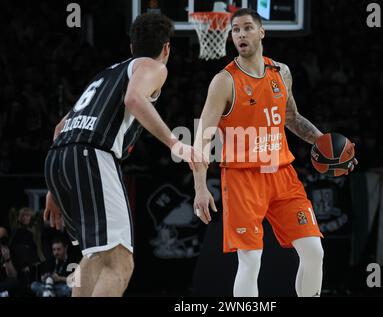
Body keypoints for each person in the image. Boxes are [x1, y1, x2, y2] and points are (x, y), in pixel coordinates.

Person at [192, 8, 357, 297]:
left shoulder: (281, 72)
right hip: (243, 178)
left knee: (313, 251)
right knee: (251, 259)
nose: (240, 34)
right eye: (235, 30)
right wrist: (200, 188)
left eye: (246, 28)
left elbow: (291, 118)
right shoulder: (224, 81)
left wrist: (328, 148)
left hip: (282, 173)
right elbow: (202, 138)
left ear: (261, 32)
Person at [43, 13, 206, 297]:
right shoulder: (153, 66)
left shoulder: (106, 73)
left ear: (131, 45)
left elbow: (60, 128)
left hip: (59, 156)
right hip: (92, 155)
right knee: (120, 259)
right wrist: (175, 144)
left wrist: (54, 188)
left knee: (95, 253)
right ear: (166, 48)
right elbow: (133, 98)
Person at [0, 227, 20, 297]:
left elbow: (13, 277)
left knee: (14, 282)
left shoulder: (12, 252)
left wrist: (7, 259)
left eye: (3, 240)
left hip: (6, 283)